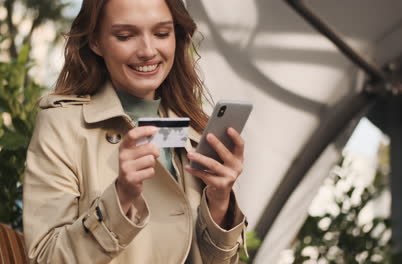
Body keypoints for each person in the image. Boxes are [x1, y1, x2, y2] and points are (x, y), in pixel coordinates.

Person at [22, 0, 248, 263]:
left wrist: (220, 203)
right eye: (125, 36)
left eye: (162, 33)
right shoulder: (62, 126)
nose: (148, 51)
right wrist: (121, 198)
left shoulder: (195, 130)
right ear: (96, 42)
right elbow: (46, 258)